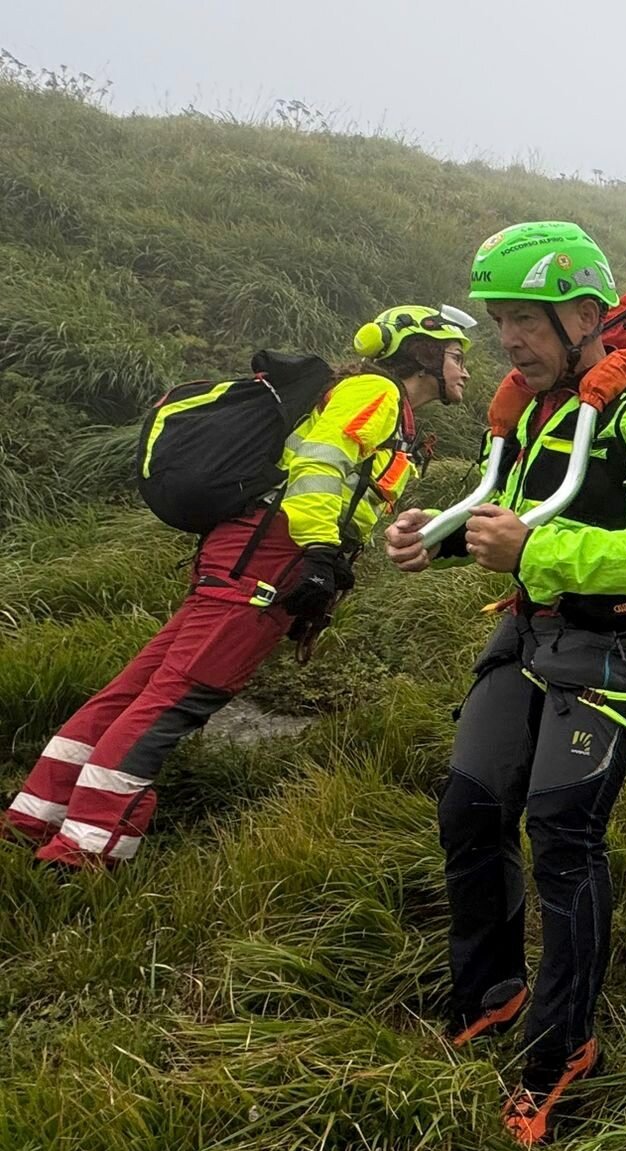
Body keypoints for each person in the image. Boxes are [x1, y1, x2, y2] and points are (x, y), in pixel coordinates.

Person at [383, 222, 626, 1147]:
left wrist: (537, 549)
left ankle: (561, 1047)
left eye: (525, 319)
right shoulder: (528, 410)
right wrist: (436, 544)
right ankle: (491, 988)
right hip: (530, 629)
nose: (510, 340)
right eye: (499, 323)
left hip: (621, 643)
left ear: (583, 316)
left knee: (564, 836)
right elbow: (509, 516)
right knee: (470, 807)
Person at [4, 306, 470, 868]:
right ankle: (83, 853)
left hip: (250, 546)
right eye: (456, 356)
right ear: (424, 354)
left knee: (142, 688)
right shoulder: (376, 393)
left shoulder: (382, 403)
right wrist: (321, 551)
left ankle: (34, 817)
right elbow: (320, 467)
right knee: (179, 696)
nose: (464, 372)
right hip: (272, 553)